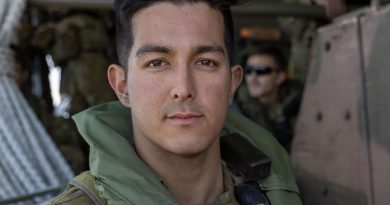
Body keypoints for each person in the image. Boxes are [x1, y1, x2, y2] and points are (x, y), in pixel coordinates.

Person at [46, 0, 302, 204]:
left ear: (232, 83)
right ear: (122, 86)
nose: (183, 89)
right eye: (157, 63)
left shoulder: (274, 190)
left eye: (206, 63)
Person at [236, 45, 303, 152]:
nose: (253, 78)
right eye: (248, 70)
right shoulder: (235, 113)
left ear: (280, 77)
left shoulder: (302, 107)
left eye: (261, 71)